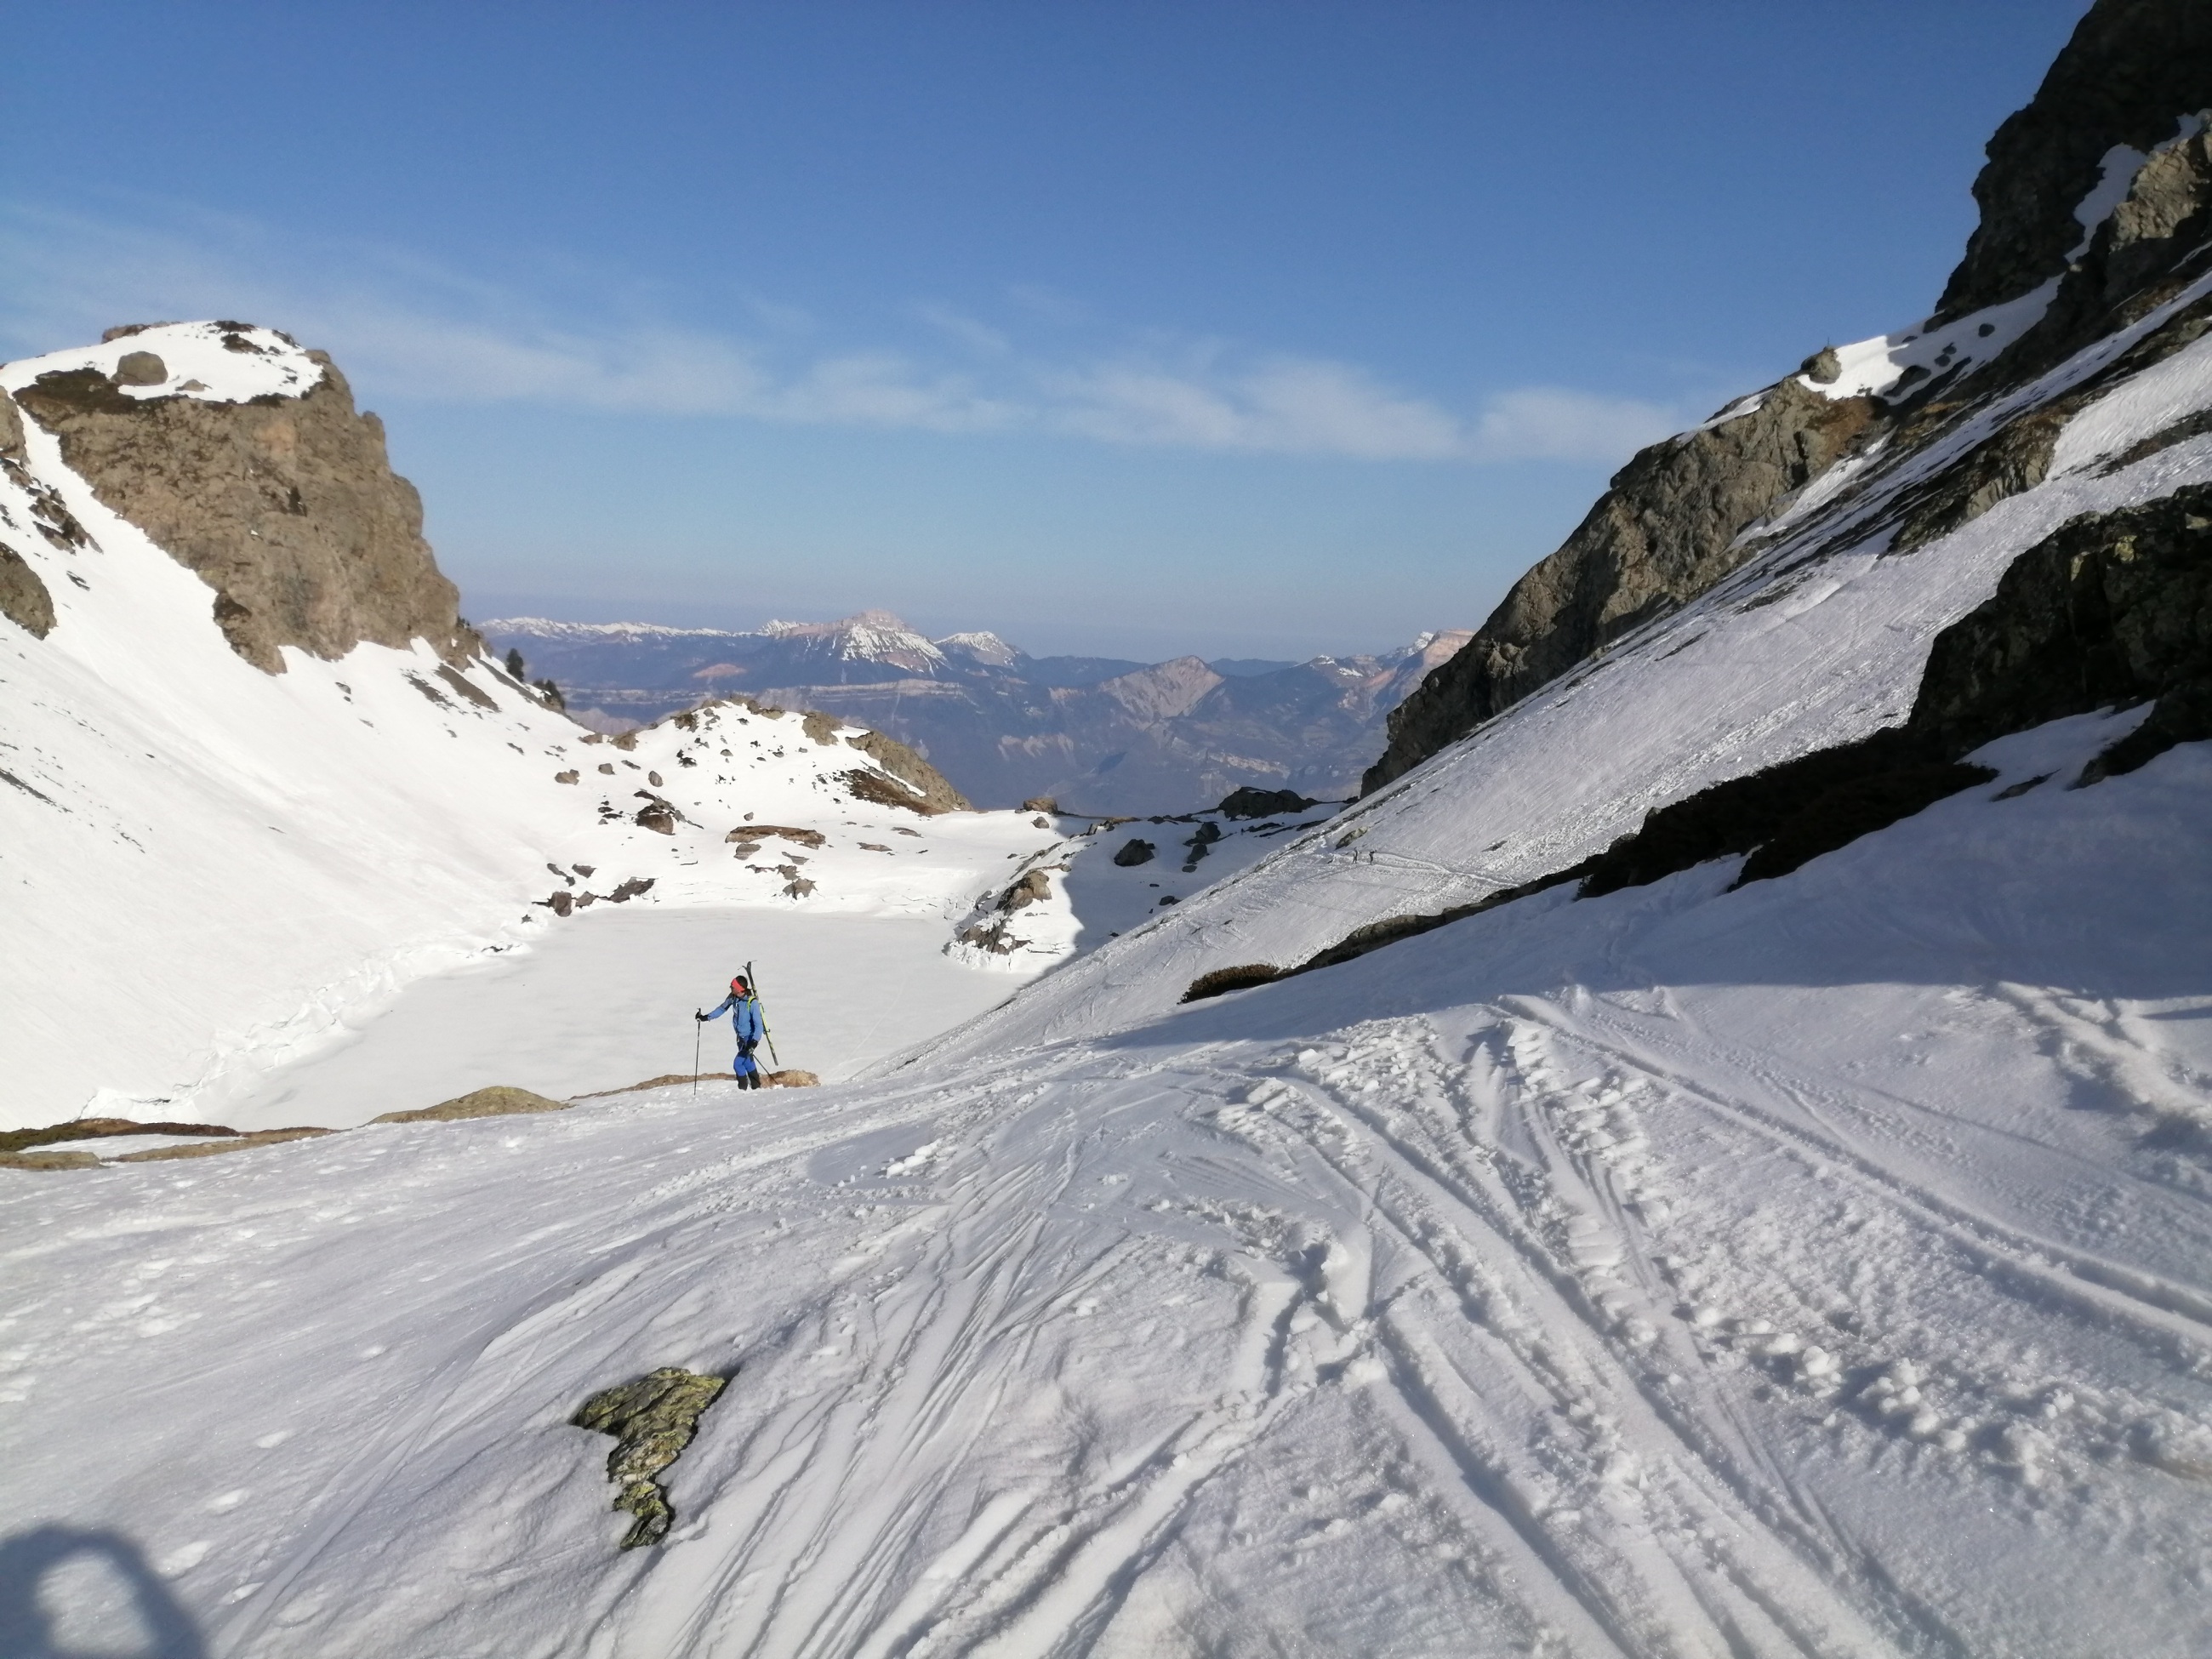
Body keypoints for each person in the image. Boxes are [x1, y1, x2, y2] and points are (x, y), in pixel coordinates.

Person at [698, 975, 767, 1089]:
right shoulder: (733, 997)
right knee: (747, 1063)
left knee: (738, 1064)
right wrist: (705, 1017)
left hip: (749, 1039)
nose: (730, 988)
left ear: (739, 989)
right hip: (740, 1038)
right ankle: (756, 1088)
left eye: (732, 986)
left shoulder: (752, 1003)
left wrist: (754, 1042)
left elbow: (758, 1025)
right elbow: (722, 1008)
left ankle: (742, 1090)